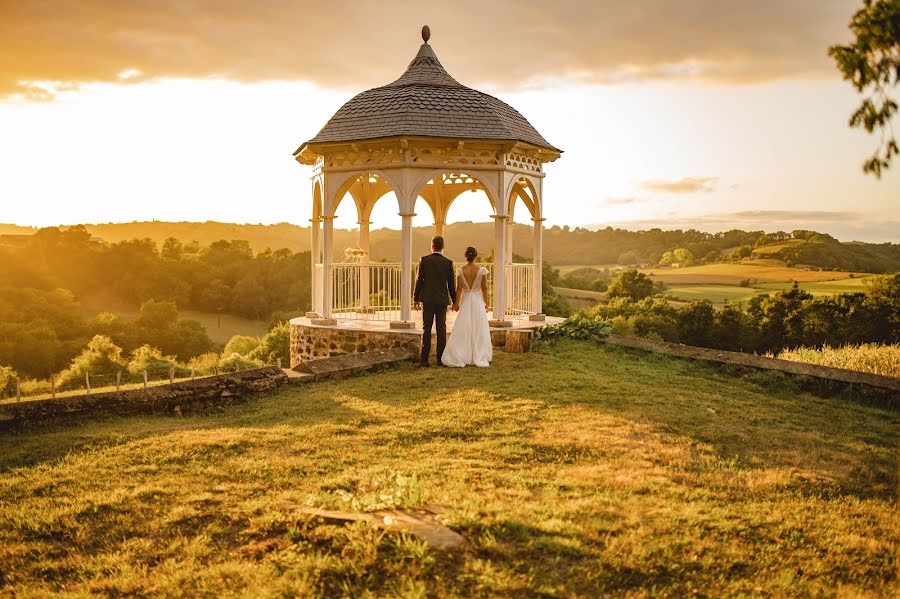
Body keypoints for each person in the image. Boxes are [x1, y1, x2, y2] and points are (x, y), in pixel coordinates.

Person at [441, 246, 492, 368]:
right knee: (478, 327)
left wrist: (456, 304)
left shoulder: (461, 270)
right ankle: (478, 354)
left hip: (466, 299)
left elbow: (459, 289)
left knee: (464, 326)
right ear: (475, 256)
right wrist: (487, 303)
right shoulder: (481, 270)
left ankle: (463, 353)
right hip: (477, 300)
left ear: (466, 256)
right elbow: (484, 288)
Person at [413, 236, 456, 367]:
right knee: (441, 329)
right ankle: (440, 359)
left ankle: (424, 360)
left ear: (432, 246)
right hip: (442, 299)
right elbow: (451, 285)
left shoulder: (424, 260)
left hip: (428, 299)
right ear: (443, 247)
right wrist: (455, 301)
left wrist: (415, 298)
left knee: (426, 328)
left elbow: (419, 280)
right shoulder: (448, 263)